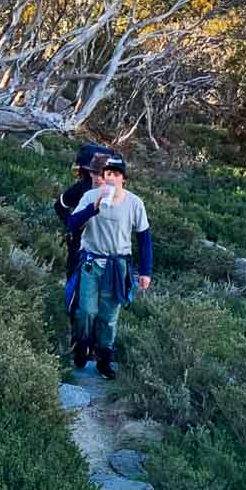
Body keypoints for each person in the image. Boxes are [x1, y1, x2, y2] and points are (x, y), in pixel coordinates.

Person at [64, 154, 152, 379]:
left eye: (116, 174)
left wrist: (145, 272)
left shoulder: (134, 203)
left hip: (117, 266)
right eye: (108, 174)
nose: (112, 178)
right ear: (103, 177)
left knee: (108, 316)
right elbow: (72, 224)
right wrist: (93, 207)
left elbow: (144, 238)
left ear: (124, 178)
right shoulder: (90, 196)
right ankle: (81, 348)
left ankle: (104, 358)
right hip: (92, 263)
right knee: (86, 311)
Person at [54, 143, 113, 355]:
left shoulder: (117, 193)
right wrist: (71, 224)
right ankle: (80, 341)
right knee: (76, 292)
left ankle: (96, 342)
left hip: (105, 253)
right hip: (78, 250)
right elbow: (59, 205)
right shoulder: (80, 190)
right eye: (94, 172)